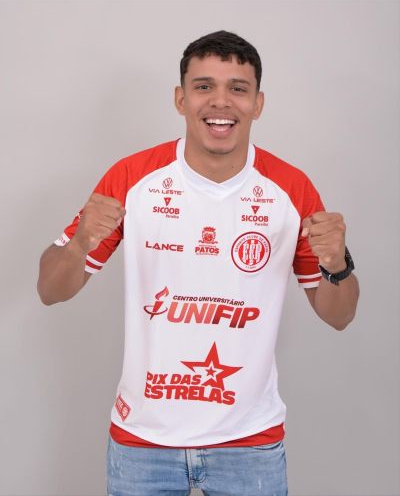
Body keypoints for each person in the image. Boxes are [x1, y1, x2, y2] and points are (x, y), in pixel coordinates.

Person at [37, 30, 359, 496]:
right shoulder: (131, 178)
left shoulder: (291, 189)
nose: (220, 101)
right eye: (204, 86)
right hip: (142, 440)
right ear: (180, 98)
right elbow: (50, 290)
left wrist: (336, 264)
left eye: (238, 88)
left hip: (249, 442)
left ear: (258, 103)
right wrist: (80, 242)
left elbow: (339, 316)